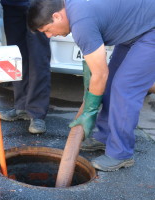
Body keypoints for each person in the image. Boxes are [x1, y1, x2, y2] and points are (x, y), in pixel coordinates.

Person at [27, 0, 155, 171]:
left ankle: (121, 153)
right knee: (110, 84)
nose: (49, 36)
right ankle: (104, 136)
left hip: (150, 31)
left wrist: (90, 111)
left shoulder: (81, 23)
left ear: (57, 16)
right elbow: (95, 67)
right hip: (135, 29)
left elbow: (100, 74)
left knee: (124, 88)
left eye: (47, 30)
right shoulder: (74, 10)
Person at [0, 0, 51, 134]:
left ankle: (37, 113)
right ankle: (21, 106)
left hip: (40, 5)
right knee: (17, 55)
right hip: (12, 4)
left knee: (38, 58)